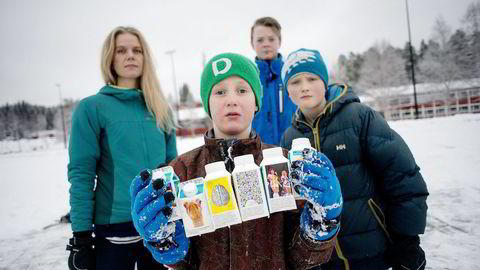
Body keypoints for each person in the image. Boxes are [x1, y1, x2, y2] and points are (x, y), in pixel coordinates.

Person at [130, 52, 344, 269]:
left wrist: (322, 223)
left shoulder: (288, 165)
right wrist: (165, 244)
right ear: (208, 104)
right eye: (220, 92)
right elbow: (184, 263)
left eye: (242, 90)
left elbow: (302, 259)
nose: (231, 100)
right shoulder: (181, 171)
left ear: (256, 103)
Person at [279, 48, 429, 270]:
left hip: (374, 251)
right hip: (326, 259)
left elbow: (401, 175)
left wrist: (407, 239)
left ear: (325, 81)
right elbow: (291, 202)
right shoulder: (289, 137)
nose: (304, 86)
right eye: (295, 81)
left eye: (311, 78)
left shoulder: (360, 117)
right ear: (287, 91)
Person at [66, 26, 177, 270]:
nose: (130, 55)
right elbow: (82, 174)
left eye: (137, 50)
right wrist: (81, 236)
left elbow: (173, 169)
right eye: (121, 50)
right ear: (110, 58)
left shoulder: (160, 108)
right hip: (114, 231)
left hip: (157, 224)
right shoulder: (92, 108)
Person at [250, 17, 297, 145]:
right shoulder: (248, 79)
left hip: (293, 151)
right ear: (252, 43)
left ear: (279, 42)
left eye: (271, 39)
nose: (266, 44)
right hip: (258, 153)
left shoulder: (292, 74)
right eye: (260, 40)